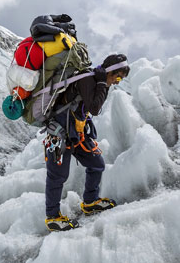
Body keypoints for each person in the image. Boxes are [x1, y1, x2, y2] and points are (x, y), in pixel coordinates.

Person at [44, 53, 130, 231]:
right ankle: (53, 217)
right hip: (59, 133)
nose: (118, 81)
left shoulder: (98, 80)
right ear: (110, 71)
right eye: (118, 76)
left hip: (76, 133)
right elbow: (95, 108)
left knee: (97, 164)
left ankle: (90, 202)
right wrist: (100, 84)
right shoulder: (89, 80)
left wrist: (102, 84)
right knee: (57, 176)